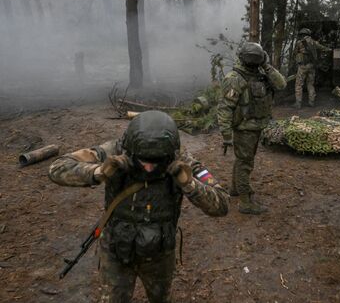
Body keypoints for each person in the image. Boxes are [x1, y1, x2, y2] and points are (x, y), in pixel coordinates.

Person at [48, 111, 229, 303]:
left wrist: (189, 184)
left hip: (159, 254)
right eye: (143, 161)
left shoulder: (181, 160)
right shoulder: (116, 150)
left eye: (156, 162)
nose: (149, 169)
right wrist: (98, 172)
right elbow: (57, 167)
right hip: (116, 251)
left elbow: (222, 204)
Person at [217, 42, 286, 215]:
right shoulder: (235, 78)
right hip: (244, 128)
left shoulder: (260, 74)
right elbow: (225, 108)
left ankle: (235, 189)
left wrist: (266, 66)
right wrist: (226, 135)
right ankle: (245, 202)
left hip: (255, 126)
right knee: (245, 163)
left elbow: (281, 84)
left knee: (242, 160)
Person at [293, 28, 331, 109]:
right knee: (310, 84)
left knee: (299, 85)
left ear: (302, 34)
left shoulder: (299, 43)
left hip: (302, 66)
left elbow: (295, 53)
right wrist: (330, 49)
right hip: (312, 66)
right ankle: (311, 102)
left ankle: (298, 103)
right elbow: (324, 48)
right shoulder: (314, 42)